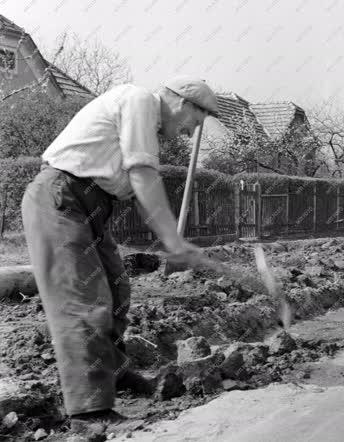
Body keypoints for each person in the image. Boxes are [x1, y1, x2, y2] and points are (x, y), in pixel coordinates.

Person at [21, 76, 219, 437]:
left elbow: (133, 181)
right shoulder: (140, 101)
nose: (192, 133)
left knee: (116, 290)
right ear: (182, 104)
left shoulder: (145, 122)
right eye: (196, 122)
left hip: (90, 204)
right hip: (61, 198)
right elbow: (143, 175)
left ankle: (113, 372)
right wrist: (172, 238)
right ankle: (89, 410)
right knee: (83, 301)